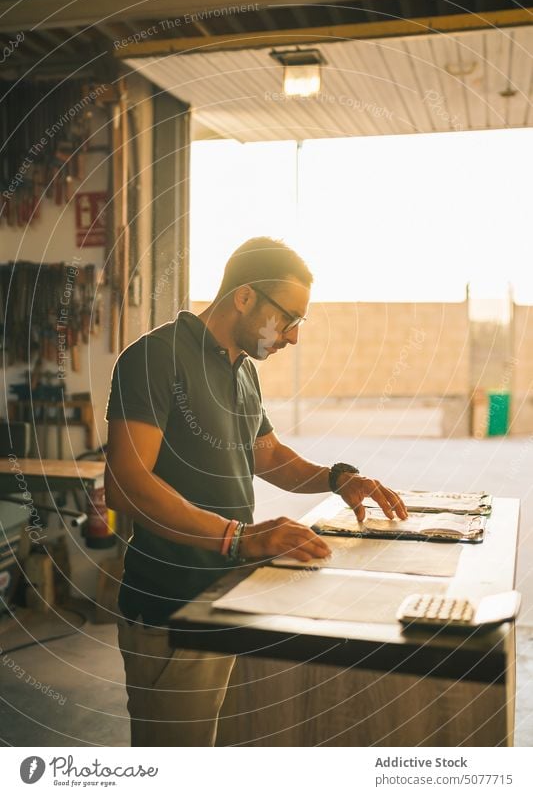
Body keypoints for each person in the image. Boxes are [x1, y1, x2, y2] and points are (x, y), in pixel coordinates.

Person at [104, 236, 407, 747]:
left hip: (230, 597)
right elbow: (126, 487)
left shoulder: (242, 369)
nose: (292, 337)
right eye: (288, 318)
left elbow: (265, 454)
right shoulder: (155, 358)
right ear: (244, 297)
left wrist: (338, 478)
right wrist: (239, 537)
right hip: (173, 609)